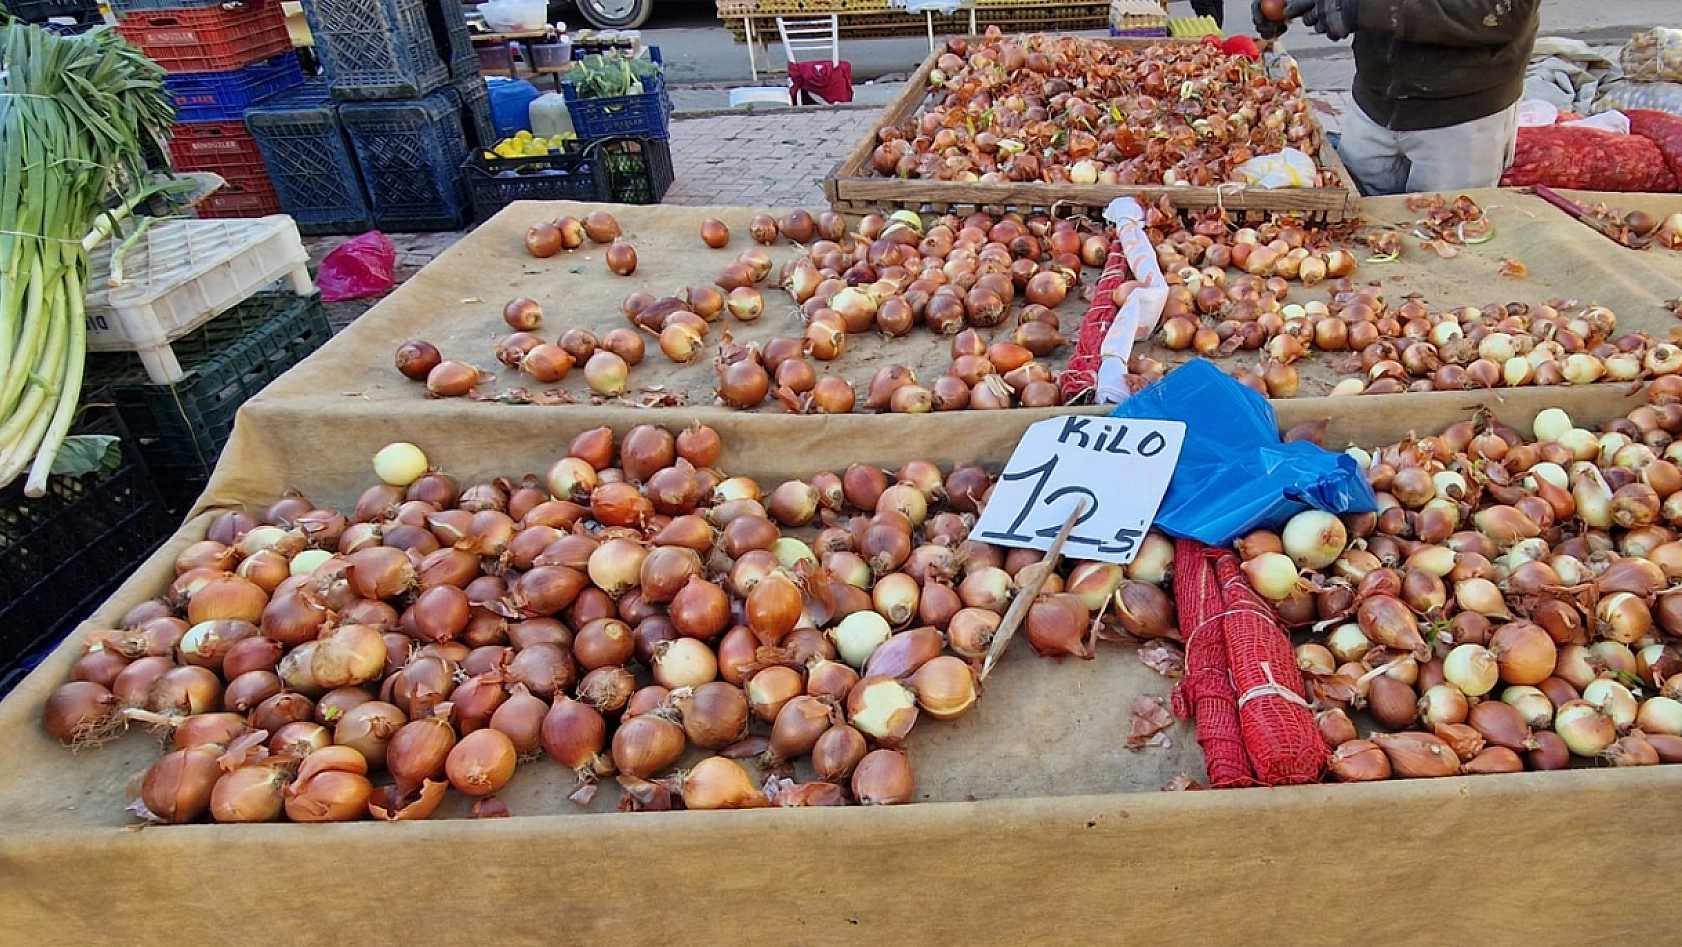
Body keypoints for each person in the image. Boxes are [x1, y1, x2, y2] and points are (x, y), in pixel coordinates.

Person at [1253, 0, 1540, 196]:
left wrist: (1367, 7)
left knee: (1444, 249)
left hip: (1460, 120)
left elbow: (1501, 12)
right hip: (1371, 104)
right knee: (1356, 238)